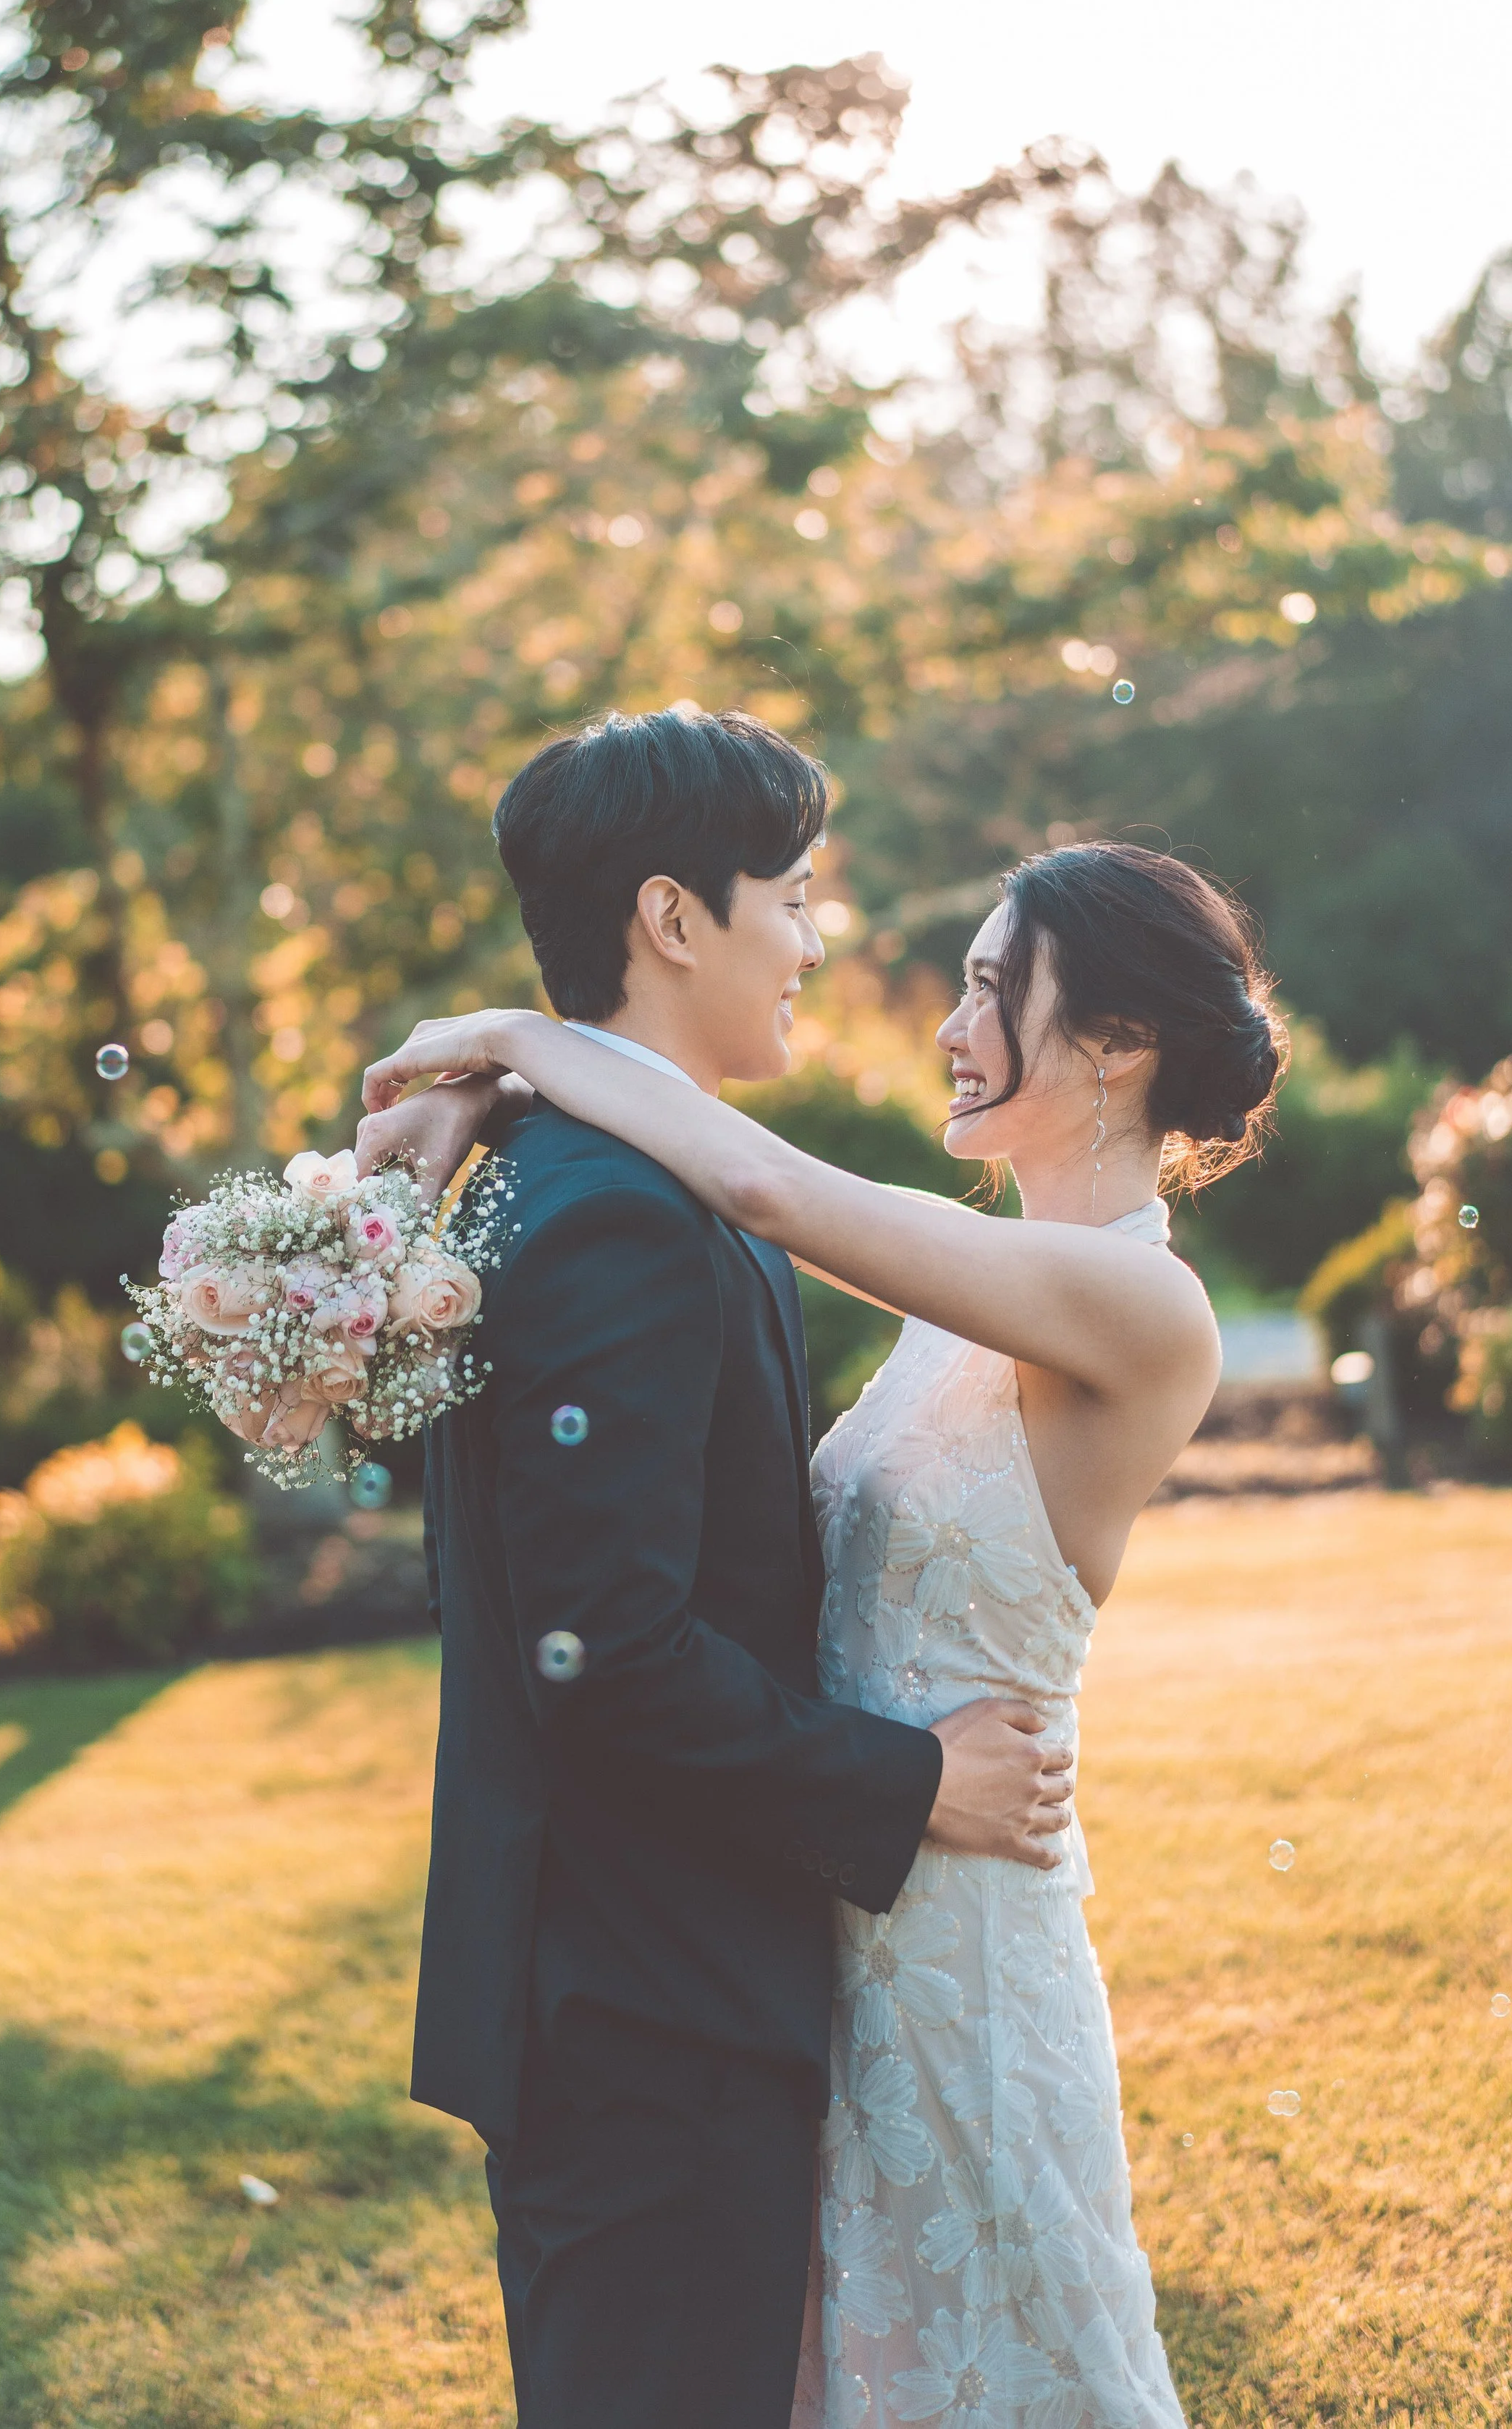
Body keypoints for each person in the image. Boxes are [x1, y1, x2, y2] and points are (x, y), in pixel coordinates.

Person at [360, 781, 1285, 2429]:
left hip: (953, 1930)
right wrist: (497, 1102)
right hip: (808, 1904)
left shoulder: (1137, 1307)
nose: (948, 1024)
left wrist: (508, 1037)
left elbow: (764, 1192)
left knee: (998, 2361)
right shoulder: (969, 1279)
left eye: (995, 987)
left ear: (1118, 1041)